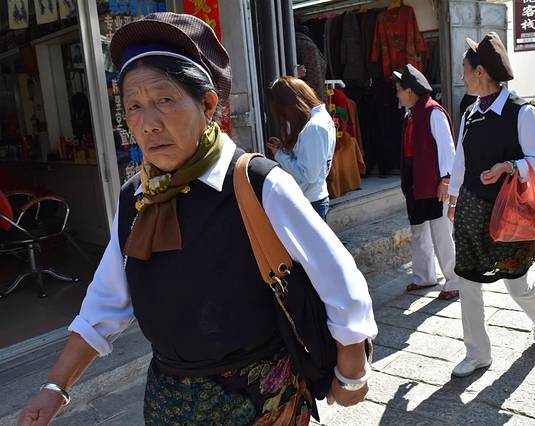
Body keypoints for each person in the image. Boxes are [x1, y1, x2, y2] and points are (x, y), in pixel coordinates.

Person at [18, 13, 376, 425]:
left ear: (207, 104)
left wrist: (351, 371)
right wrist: (55, 387)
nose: (149, 124)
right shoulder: (137, 197)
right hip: (169, 401)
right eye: (133, 106)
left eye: (164, 100)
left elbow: (338, 277)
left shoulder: (257, 183)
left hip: (262, 397)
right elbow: (105, 302)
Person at [447, 32, 535, 378]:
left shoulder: (520, 112)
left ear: (480, 72)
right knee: (467, 282)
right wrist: (453, 199)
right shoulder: (470, 112)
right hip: (471, 209)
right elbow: (461, 160)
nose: (462, 76)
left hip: (508, 214)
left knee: (516, 283)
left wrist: (510, 166)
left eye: (465, 70)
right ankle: (477, 352)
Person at [394, 64, 459, 300]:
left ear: (410, 91)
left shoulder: (434, 113)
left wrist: (446, 180)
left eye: (399, 90)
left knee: (441, 233)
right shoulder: (411, 114)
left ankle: (454, 281)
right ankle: (424, 277)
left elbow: (447, 149)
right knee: (419, 230)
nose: (397, 95)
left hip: (433, 183)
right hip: (416, 181)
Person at [267, 76, 336, 221]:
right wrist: (284, 151)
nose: (285, 116)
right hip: (314, 198)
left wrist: (279, 155)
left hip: (310, 201)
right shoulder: (320, 119)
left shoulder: (314, 127)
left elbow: (308, 175)